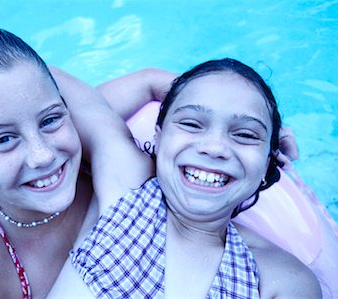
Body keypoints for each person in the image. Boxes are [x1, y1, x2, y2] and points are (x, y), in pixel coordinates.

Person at [0, 26, 174, 298]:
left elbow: (147, 81)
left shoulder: (97, 144)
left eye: (50, 120)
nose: (42, 155)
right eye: (3, 140)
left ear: (67, 109)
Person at [47, 58, 322, 298]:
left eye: (246, 134)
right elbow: (35, 79)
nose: (214, 147)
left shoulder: (282, 279)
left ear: (267, 165)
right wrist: (155, 80)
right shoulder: (124, 187)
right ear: (158, 135)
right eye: (191, 123)